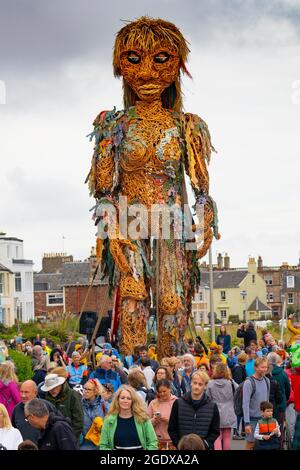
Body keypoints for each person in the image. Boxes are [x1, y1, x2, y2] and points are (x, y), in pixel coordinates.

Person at [87, 16, 219, 359]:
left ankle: (171, 371)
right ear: (121, 66)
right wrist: (110, 231)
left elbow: (201, 186)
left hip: (172, 222)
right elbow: (103, 189)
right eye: (134, 60)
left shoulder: (187, 126)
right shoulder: (113, 125)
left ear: (176, 66)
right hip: (130, 220)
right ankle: (134, 373)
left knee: (172, 300)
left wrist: (206, 219)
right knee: (131, 296)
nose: (146, 73)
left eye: (160, 60)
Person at [168, 371, 220, 449]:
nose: (197, 386)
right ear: (191, 383)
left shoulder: (212, 406)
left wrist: (206, 444)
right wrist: (179, 444)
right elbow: (172, 427)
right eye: (195, 383)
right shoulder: (178, 403)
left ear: (205, 386)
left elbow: (215, 431)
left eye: (200, 384)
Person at [100, 385, 158, 450]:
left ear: (133, 401)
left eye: (129, 398)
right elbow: (103, 445)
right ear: (117, 400)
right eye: (122, 398)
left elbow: (152, 442)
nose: (125, 401)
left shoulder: (143, 419)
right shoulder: (108, 421)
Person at [12, 379, 61, 444]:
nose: (23, 395)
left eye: (26, 392)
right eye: (21, 392)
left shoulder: (46, 406)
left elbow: (59, 425)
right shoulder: (16, 409)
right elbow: (14, 429)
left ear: (35, 393)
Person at [42, 373, 83, 440]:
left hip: (70, 437)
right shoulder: (46, 397)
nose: (52, 390)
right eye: (49, 388)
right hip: (52, 438)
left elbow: (78, 421)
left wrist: (70, 437)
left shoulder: (73, 395)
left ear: (60, 385)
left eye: (54, 387)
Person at [206, 363, 237, 450]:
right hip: (229, 412)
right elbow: (238, 392)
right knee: (227, 437)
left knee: (217, 437)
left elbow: (207, 397)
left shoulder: (210, 383)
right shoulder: (231, 383)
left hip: (215, 411)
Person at [242, 357, 270, 450]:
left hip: (264, 419)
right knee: (251, 444)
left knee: (263, 445)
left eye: (266, 367)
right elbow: (245, 404)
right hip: (252, 420)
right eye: (262, 367)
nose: (265, 369)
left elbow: (267, 402)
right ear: (256, 367)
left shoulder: (267, 381)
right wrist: (247, 423)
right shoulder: (249, 383)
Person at [147, 379, 177, 450]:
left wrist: (169, 422)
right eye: (160, 392)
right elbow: (146, 424)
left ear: (169, 389)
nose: (162, 394)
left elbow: (181, 422)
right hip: (157, 441)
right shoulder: (153, 403)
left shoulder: (176, 401)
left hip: (173, 442)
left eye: (164, 391)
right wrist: (155, 420)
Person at [267, 352, 290, 432]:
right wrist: (285, 399)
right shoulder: (283, 373)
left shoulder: (264, 372)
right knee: (279, 427)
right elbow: (288, 389)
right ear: (277, 360)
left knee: (267, 427)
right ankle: (279, 443)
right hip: (281, 404)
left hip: (267, 404)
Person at [80, 378, 105, 450]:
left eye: (89, 389)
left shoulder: (103, 405)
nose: (85, 391)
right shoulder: (79, 404)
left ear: (96, 391)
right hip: (83, 444)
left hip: (99, 444)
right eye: (85, 389)